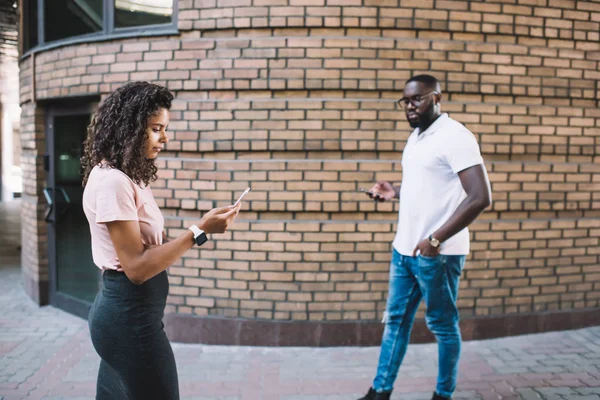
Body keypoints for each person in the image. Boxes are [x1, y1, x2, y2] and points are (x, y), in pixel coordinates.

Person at [81, 81, 241, 400]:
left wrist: (198, 230)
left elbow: (148, 247)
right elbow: (137, 268)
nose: (164, 138)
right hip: (128, 321)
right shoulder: (113, 182)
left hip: (133, 317)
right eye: (156, 129)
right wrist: (199, 232)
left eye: (164, 128)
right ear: (130, 128)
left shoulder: (128, 176)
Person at [358, 75, 492, 400]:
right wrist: (396, 191)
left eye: (417, 99)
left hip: (438, 254)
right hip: (404, 251)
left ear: (437, 97)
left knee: (443, 328)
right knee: (395, 324)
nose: (410, 106)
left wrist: (434, 240)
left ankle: (443, 394)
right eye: (406, 101)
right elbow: (428, 189)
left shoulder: (456, 137)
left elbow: (479, 197)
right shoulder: (416, 138)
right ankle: (380, 392)